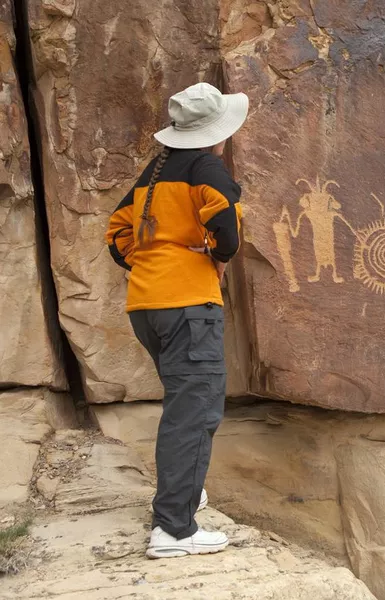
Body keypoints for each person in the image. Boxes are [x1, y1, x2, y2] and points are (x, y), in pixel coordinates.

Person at [105, 82, 248, 559]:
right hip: (189, 307)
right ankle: (174, 530)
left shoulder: (154, 171)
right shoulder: (207, 166)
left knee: (183, 404)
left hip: (146, 305)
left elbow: (116, 234)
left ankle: (183, 494)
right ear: (217, 132)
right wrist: (216, 254)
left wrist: (147, 262)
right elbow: (225, 221)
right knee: (195, 412)